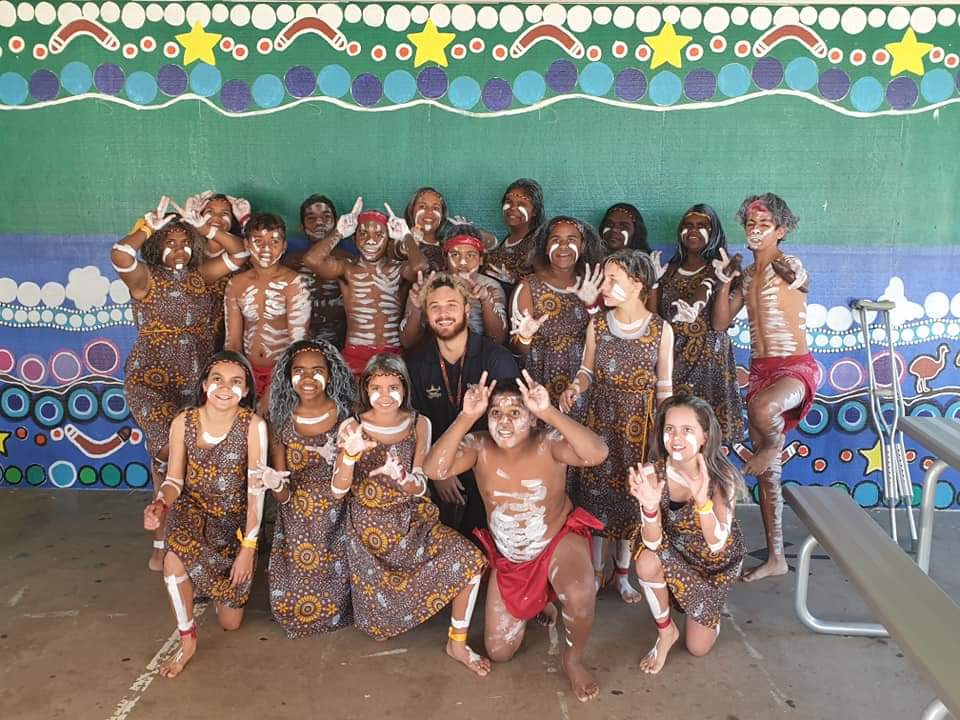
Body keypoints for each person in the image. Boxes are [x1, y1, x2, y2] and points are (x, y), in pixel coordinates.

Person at [423, 371, 609, 703]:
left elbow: (597, 454)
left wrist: (549, 412)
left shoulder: (547, 441)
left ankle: (574, 658)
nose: (504, 421)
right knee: (499, 651)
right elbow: (434, 470)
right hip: (511, 556)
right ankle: (544, 599)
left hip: (556, 542)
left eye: (515, 412)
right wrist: (466, 417)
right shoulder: (478, 445)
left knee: (580, 594)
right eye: (496, 413)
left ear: (531, 417)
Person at [333, 354, 490, 676]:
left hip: (411, 520)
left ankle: (457, 643)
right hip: (366, 530)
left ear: (405, 387)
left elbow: (421, 485)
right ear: (365, 388)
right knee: (378, 632)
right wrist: (349, 456)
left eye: (393, 386)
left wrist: (403, 480)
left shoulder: (420, 423)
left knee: (471, 560)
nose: (385, 394)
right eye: (376, 387)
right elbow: (337, 491)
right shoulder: (352, 426)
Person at [112, 196, 245, 571]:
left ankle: (183, 538)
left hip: (194, 379)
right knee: (167, 451)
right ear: (157, 245)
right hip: (151, 380)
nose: (179, 248)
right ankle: (162, 541)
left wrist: (203, 227)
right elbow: (121, 256)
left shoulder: (202, 276)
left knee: (190, 454)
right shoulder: (146, 279)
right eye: (170, 242)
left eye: (185, 241)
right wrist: (144, 229)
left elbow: (240, 253)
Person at [142, 351, 271, 678]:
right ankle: (187, 640)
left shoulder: (253, 426)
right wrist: (161, 503)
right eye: (217, 379)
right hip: (193, 513)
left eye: (235, 382)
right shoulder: (183, 422)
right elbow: (173, 480)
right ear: (204, 385)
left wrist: (247, 550)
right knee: (173, 561)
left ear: (245, 391)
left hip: (233, 523)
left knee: (230, 623)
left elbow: (257, 493)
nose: (225, 388)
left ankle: (209, 584)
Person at [712, 193, 816, 581]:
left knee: (760, 412)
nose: (755, 231)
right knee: (768, 475)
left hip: (796, 369)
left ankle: (773, 445)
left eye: (764, 225)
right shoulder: (748, 276)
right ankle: (776, 557)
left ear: (781, 230)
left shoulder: (789, 264)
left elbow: (801, 281)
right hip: (761, 371)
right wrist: (725, 282)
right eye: (750, 225)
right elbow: (721, 323)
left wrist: (779, 262)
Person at [560, 249, 674, 603]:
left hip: (640, 428)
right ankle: (596, 572)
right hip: (600, 420)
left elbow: (664, 387)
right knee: (595, 497)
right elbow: (587, 370)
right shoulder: (597, 324)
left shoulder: (660, 329)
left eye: (613, 280)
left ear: (637, 285)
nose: (604, 287)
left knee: (629, 498)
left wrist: (664, 433)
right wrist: (575, 387)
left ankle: (622, 576)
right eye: (605, 278)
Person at [628, 395, 745, 674]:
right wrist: (650, 506)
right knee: (646, 561)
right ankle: (666, 631)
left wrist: (702, 500)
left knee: (698, 648)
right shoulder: (650, 473)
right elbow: (654, 542)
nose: (676, 437)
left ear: (704, 436)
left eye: (687, 430)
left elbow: (717, 545)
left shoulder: (722, 478)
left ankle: (707, 609)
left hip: (712, 565)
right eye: (670, 429)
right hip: (672, 550)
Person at [406, 273, 519, 534]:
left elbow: (513, 426)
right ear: (425, 313)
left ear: (467, 310)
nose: (443, 314)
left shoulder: (495, 359)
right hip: (435, 465)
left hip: (488, 466)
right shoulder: (416, 362)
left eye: (452, 305)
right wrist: (442, 470)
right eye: (435, 307)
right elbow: (413, 424)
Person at [266, 339, 357, 637]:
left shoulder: (347, 416)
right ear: (287, 375)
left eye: (317, 370)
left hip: (338, 512)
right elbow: (284, 494)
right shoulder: (280, 423)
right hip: (296, 519)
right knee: (292, 605)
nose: (307, 378)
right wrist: (275, 484)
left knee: (333, 602)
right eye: (299, 370)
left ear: (330, 376)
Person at [648, 204, 744, 444]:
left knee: (704, 434)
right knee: (675, 430)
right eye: (688, 226)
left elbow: (720, 324)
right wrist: (654, 284)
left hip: (709, 360)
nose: (693, 231)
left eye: (702, 226)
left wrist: (722, 283)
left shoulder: (725, 268)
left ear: (715, 233)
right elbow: (654, 320)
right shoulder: (668, 270)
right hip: (673, 357)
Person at [302, 198, 428, 375]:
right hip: (355, 353)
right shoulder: (347, 268)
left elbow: (420, 267)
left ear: (389, 239)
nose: (371, 240)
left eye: (379, 235)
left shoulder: (398, 269)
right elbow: (312, 260)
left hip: (392, 353)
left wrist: (406, 235)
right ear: (354, 237)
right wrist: (338, 232)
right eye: (363, 234)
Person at [509, 216, 603, 417]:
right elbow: (517, 351)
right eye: (556, 240)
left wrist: (592, 305)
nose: (563, 246)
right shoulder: (528, 286)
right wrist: (525, 336)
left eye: (571, 239)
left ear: (583, 245)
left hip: (581, 384)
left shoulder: (592, 285)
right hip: (540, 381)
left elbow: (606, 341)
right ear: (545, 245)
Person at [223, 212, 311, 408]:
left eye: (274, 241)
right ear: (246, 245)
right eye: (258, 241)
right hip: (248, 373)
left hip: (284, 373)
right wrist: (234, 382)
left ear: (284, 246)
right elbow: (233, 342)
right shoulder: (235, 284)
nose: (266, 248)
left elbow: (298, 346)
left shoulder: (294, 283)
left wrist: (275, 387)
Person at [400, 224, 508, 348]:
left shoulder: (490, 287)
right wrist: (417, 308)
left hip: (479, 357)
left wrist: (486, 300)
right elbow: (407, 342)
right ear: (445, 259)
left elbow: (498, 339)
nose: (462, 262)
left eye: (470, 255)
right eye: (455, 255)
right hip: (434, 356)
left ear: (481, 259)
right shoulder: (427, 285)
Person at [283, 194, 348, 348]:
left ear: (337, 224)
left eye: (326, 217)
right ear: (302, 227)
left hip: (341, 341)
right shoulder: (291, 263)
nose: (319, 222)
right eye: (311, 218)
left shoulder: (347, 261)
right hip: (300, 340)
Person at [484, 178, 545, 294]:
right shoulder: (504, 242)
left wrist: (515, 280)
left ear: (535, 211)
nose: (512, 208)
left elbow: (546, 284)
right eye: (509, 202)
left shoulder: (539, 243)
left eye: (521, 204)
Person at [394, 186, 448, 269]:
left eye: (435, 208)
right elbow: (398, 252)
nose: (429, 212)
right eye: (422, 206)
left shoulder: (447, 246)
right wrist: (409, 239)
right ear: (411, 211)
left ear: (443, 215)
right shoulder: (400, 240)